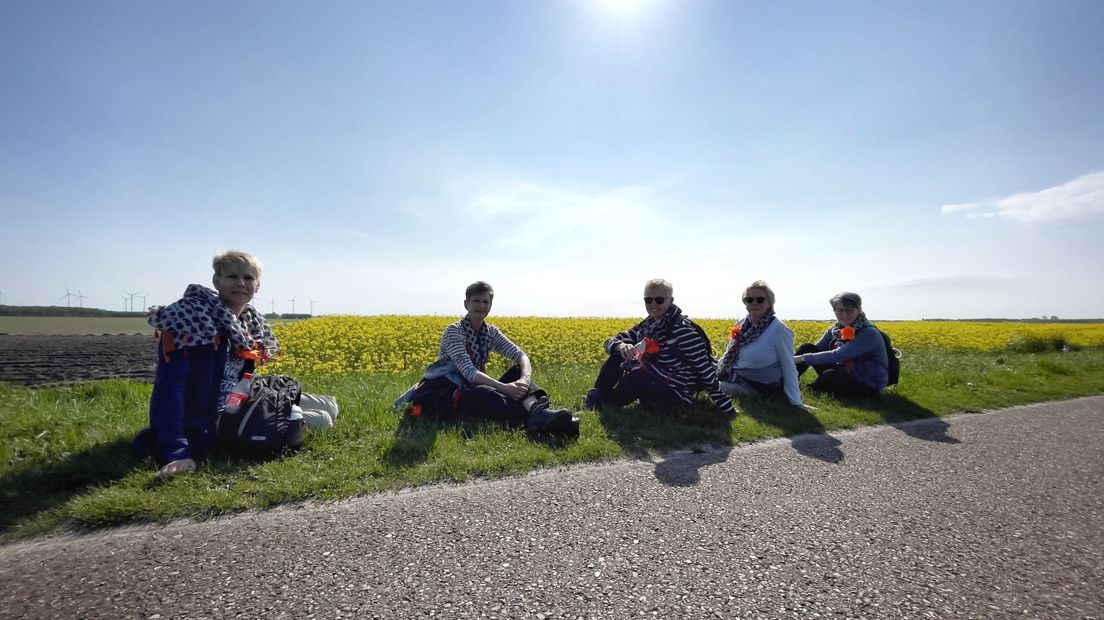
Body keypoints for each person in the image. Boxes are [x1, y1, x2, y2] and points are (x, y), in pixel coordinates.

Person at [136, 251, 338, 478]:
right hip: (211, 417)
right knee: (323, 419)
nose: (241, 283)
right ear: (217, 281)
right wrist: (177, 452)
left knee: (330, 405)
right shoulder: (191, 320)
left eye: (249, 278)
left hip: (241, 398)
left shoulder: (249, 322)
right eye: (232, 277)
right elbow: (169, 391)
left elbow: (241, 376)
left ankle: (279, 414)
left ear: (257, 285)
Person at [395, 281, 578, 435]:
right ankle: (536, 420)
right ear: (466, 304)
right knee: (485, 392)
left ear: (490, 305)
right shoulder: (454, 331)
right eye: (476, 301)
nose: (481, 306)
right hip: (453, 392)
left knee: (516, 371)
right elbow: (468, 371)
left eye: (485, 301)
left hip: (473, 384)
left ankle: (539, 413)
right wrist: (504, 388)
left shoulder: (490, 332)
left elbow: (520, 355)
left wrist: (524, 378)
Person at [583, 279, 735, 415]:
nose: (653, 305)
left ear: (671, 300)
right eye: (648, 300)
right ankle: (598, 395)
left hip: (677, 394)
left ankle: (605, 403)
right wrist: (622, 346)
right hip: (655, 383)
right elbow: (610, 342)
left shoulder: (682, 330)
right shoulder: (646, 326)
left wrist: (726, 407)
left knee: (640, 376)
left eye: (659, 300)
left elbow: (705, 369)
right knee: (619, 352)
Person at [715, 280, 808, 409]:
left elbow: (789, 367)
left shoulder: (779, 330)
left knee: (713, 386)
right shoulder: (741, 323)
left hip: (759, 384)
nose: (754, 303)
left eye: (760, 300)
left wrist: (796, 402)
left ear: (769, 302)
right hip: (736, 375)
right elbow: (730, 354)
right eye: (749, 299)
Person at [794, 291, 889, 397]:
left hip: (868, 384)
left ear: (859, 310)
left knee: (830, 376)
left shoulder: (868, 333)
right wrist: (793, 358)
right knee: (807, 347)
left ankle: (807, 391)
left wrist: (800, 358)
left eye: (849, 310)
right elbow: (816, 349)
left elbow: (838, 355)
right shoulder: (836, 329)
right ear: (834, 310)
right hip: (846, 372)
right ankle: (784, 379)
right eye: (840, 310)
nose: (844, 314)